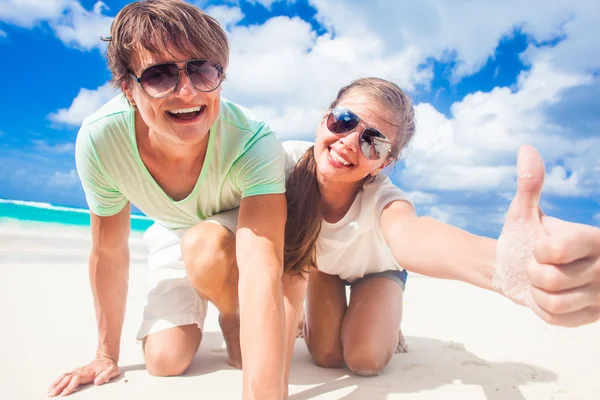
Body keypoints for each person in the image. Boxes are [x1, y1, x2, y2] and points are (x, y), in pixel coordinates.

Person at [281, 77, 600, 378]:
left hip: (376, 272)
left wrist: (503, 265)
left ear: (384, 162)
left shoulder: (385, 198)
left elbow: (412, 236)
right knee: (325, 357)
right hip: (323, 269)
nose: (350, 142)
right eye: (344, 120)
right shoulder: (284, 162)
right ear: (324, 119)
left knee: (365, 359)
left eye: (373, 142)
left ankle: (385, 318)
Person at [48, 1, 289, 398]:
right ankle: (208, 292)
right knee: (164, 361)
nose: (187, 91)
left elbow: (261, 264)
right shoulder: (102, 140)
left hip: (237, 229)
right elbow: (108, 252)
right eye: (160, 74)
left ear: (220, 76)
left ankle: (231, 315)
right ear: (128, 87)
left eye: (202, 69)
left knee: (207, 250)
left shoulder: (254, 141)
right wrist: (105, 354)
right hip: (173, 230)